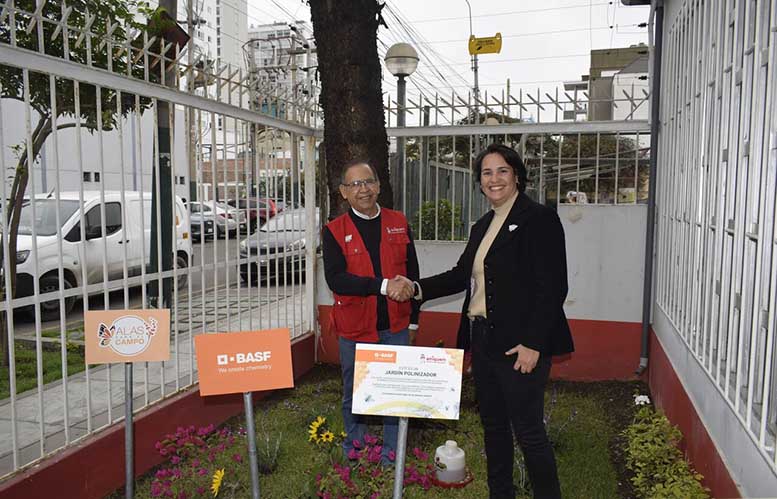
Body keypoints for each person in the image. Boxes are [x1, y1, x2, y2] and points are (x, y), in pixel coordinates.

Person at [403, 143, 573, 498]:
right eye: (486, 173)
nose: (494, 179)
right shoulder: (484, 224)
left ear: (516, 176)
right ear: (479, 182)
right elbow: (459, 275)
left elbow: (552, 288)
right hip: (483, 340)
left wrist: (534, 345)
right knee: (493, 426)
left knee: (528, 432)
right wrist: (416, 288)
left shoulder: (538, 219)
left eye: (502, 171)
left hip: (519, 345)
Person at [322, 159, 419, 463]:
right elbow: (336, 279)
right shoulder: (334, 231)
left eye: (368, 182)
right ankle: (355, 448)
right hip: (354, 328)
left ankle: (392, 454)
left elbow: (413, 273)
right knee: (354, 390)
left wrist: (414, 321)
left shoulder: (399, 221)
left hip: (396, 326)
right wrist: (381, 285)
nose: (362, 189)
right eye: (354, 184)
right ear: (343, 192)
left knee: (394, 392)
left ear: (378, 186)